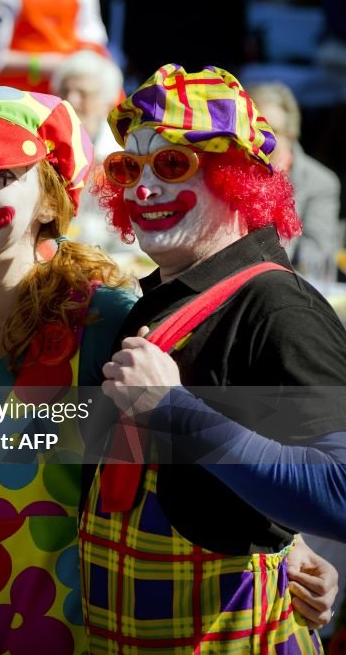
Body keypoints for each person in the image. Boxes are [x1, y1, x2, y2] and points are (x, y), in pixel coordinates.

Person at [82, 63, 346, 652]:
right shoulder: (165, 298)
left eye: (173, 163)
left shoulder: (279, 308)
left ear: (236, 178)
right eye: (129, 167)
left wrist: (175, 410)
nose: (142, 189)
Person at [0, 86, 136, 654]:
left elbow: (195, 444)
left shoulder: (101, 321)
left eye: (1, 173)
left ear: (50, 204)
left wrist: (291, 548)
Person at [248, 81, 342, 279]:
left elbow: (315, 258)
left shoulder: (319, 182)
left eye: (271, 130)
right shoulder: (232, 173)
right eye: (253, 129)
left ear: (291, 135)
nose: (260, 139)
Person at [49, 49, 127, 252]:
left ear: (106, 103)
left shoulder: (124, 158)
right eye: (64, 91)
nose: (71, 100)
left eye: (83, 93)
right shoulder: (41, 152)